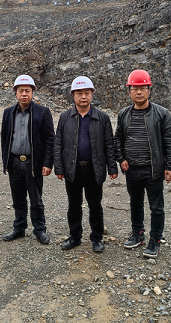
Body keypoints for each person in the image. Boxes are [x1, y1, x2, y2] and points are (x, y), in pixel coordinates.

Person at [115, 70, 171, 258]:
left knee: (156, 207)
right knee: (135, 203)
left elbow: (170, 140)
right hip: (132, 170)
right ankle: (138, 234)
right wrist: (121, 159)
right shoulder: (123, 114)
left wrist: (169, 166)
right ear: (129, 92)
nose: (139, 92)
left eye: (143, 88)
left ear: (149, 90)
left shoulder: (161, 113)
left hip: (153, 170)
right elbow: (117, 139)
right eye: (135, 89)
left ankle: (155, 239)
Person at [54, 76, 118, 253]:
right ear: (73, 95)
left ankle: (97, 238)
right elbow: (58, 144)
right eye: (79, 93)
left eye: (87, 93)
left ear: (92, 94)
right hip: (72, 169)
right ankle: (75, 237)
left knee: (95, 206)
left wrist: (112, 167)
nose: (83, 96)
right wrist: (59, 168)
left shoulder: (102, 118)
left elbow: (109, 144)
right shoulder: (65, 117)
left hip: (94, 168)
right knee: (74, 205)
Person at [1, 75, 55, 244]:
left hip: (34, 163)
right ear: (15, 93)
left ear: (33, 92)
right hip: (14, 162)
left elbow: (50, 139)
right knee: (17, 198)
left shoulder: (42, 112)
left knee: (36, 199)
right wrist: (6, 162)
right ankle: (19, 228)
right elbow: (5, 138)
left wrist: (48, 163)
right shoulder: (8, 113)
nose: (24, 94)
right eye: (21, 91)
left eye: (27, 91)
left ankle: (40, 230)